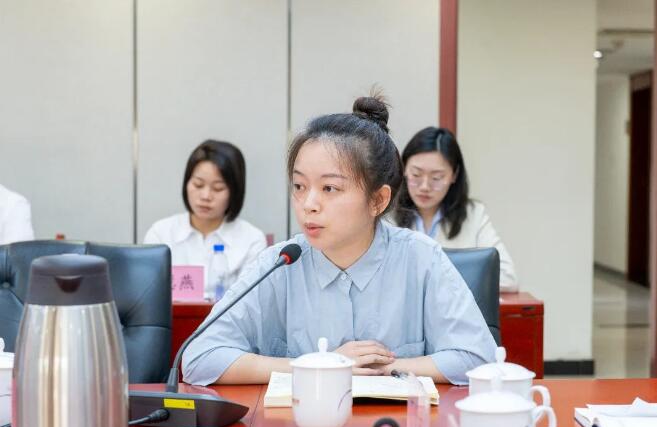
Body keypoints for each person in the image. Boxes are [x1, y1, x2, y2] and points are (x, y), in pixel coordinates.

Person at [182, 96, 496, 386]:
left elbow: (479, 358)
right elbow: (199, 358)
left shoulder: (421, 258)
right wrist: (321, 365)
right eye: (299, 186)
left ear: (378, 200)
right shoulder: (280, 263)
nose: (308, 204)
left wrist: (385, 368)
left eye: (329, 188)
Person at [393, 127, 518, 291]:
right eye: (416, 175)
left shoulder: (473, 215)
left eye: (436, 178)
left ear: (454, 175)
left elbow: (507, 277)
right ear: (404, 170)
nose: (424, 186)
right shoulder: (386, 215)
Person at [144, 140, 267, 299]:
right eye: (198, 185)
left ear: (235, 191)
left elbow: (250, 302)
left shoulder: (252, 240)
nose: (205, 196)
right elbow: (146, 295)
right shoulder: (161, 234)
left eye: (218, 188)